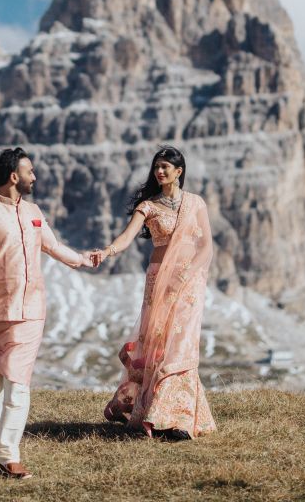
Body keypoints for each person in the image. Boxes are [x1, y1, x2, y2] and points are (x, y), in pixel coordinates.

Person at [0, 147, 93, 479]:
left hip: (31, 311)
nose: (35, 177)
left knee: (18, 382)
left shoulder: (34, 211)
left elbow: (52, 245)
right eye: (30, 171)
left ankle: (7, 453)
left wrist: (83, 259)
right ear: (14, 176)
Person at [89, 145, 216, 440]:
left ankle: (178, 419)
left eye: (165, 167)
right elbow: (126, 237)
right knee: (158, 342)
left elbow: (207, 246)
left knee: (181, 344)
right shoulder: (149, 206)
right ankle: (150, 409)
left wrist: (187, 273)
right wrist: (107, 251)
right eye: (156, 167)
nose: (159, 172)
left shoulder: (196, 204)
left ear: (178, 172)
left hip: (189, 283)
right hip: (159, 282)